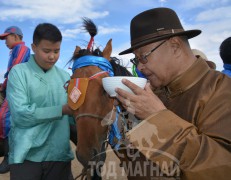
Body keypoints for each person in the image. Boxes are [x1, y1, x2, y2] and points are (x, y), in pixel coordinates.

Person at [116, 7, 231, 179]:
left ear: (175, 46)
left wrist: (157, 117)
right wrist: (127, 119)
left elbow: (221, 168)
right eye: (136, 59)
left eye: (143, 56)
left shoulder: (221, 90)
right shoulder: (156, 92)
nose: (139, 67)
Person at [6, 23, 75, 180]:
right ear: (34, 47)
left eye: (56, 51)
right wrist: (62, 110)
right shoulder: (18, 73)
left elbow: (73, 115)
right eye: (47, 51)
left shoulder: (65, 77)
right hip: (26, 156)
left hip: (59, 156)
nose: (52, 56)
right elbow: (21, 115)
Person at [0, 26, 30, 173]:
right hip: (12, 86)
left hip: (19, 89)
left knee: (3, 116)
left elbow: (15, 69)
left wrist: (5, 82)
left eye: (7, 37)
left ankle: (8, 157)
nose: (5, 41)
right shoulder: (14, 51)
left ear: (17, 37)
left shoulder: (22, 49)